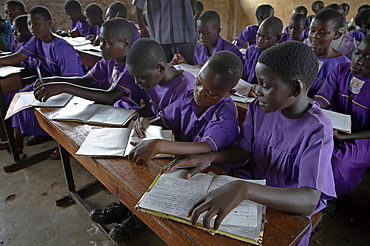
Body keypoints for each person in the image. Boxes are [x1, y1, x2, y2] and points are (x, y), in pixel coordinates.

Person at [162, 41, 336, 246]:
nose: (257, 91)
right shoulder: (259, 109)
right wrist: (209, 157)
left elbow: (308, 200)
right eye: (258, 83)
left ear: (295, 88)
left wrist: (245, 189)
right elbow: (243, 151)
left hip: (287, 204)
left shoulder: (317, 130)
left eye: (266, 86)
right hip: (249, 187)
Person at [129, 51, 241, 164]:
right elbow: (165, 119)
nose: (199, 93)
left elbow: (206, 146)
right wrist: (146, 122)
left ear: (229, 93)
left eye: (211, 93)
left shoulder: (226, 112)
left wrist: (159, 145)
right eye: (198, 82)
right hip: (183, 160)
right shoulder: (188, 96)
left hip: (212, 168)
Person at [0, 6, 84, 153]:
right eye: (30, 24)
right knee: (18, 98)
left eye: (37, 24)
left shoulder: (61, 48)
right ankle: (16, 142)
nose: (33, 28)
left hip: (67, 88)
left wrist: (49, 83)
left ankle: (65, 145)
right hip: (48, 83)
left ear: (49, 23)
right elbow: (17, 57)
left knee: (38, 104)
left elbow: (73, 79)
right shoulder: (36, 41)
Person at [33, 17, 146, 111]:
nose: (101, 46)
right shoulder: (109, 61)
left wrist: (64, 87)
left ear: (125, 43)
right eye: (100, 40)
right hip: (116, 110)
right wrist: (53, 81)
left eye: (107, 43)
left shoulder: (133, 66)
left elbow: (110, 97)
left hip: (133, 113)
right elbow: (86, 80)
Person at [314, 35, 370, 196]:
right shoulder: (341, 70)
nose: (358, 60)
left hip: (362, 138)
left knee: (338, 162)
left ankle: (328, 198)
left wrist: (345, 137)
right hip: (334, 127)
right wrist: (314, 109)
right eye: (358, 53)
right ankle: (303, 189)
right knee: (308, 146)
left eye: (367, 58)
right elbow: (322, 100)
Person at [126, 38, 195, 116]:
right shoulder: (153, 81)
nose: (137, 82)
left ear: (160, 69)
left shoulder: (185, 88)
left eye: (142, 78)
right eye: (134, 77)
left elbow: (179, 123)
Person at [171, 10, 242, 67]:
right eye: (199, 32)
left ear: (218, 31)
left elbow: (238, 77)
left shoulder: (231, 51)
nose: (201, 36)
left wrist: (209, 69)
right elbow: (196, 70)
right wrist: (184, 64)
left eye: (206, 33)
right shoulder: (198, 49)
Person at [305, 8, 350, 98]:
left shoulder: (343, 64)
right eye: (312, 30)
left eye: (323, 33)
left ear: (335, 34)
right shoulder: (303, 54)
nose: (315, 36)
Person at [243, 16, 282, 84]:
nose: (260, 40)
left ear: (278, 39)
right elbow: (245, 76)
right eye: (258, 35)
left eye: (266, 38)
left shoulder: (279, 58)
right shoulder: (251, 51)